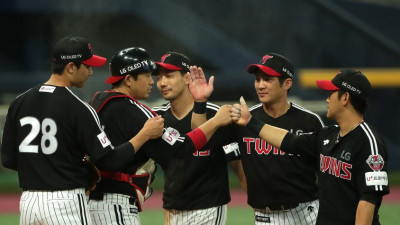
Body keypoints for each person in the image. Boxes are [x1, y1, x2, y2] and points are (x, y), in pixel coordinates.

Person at [0, 36, 164, 225]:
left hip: (29, 203)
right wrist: (144, 135)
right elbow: (109, 159)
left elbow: (9, 160)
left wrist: (43, 168)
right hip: (66, 202)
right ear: (71, 67)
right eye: (87, 66)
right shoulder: (78, 108)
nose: (91, 72)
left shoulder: (19, 102)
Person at [87, 47, 233, 225]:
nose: (153, 82)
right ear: (128, 79)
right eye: (149, 76)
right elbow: (181, 148)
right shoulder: (140, 114)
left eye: (166, 76)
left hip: (89, 203)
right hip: (115, 206)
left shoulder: (93, 106)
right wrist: (216, 121)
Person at [232, 69, 390, 225]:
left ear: (345, 98)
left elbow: (368, 201)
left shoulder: (368, 142)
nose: (327, 100)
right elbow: (289, 140)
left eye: (331, 94)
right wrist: (251, 122)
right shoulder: (328, 135)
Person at [190, 53, 324, 224]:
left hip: (306, 214)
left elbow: (326, 172)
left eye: (268, 79)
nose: (260, 85)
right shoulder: (243, 118)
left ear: (287, 83)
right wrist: (200, 102)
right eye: (257, 79)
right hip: (264, 217)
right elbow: (201, 139)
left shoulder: (309, 121)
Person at [151, 52, 247, 225]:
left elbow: (238, 164)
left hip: (208, 209)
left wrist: (256, 203)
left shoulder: (216, 115)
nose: (162, 83)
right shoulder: (157, 117)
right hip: (172, 212)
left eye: (169, 76)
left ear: (187, 78)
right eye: (159, 78)